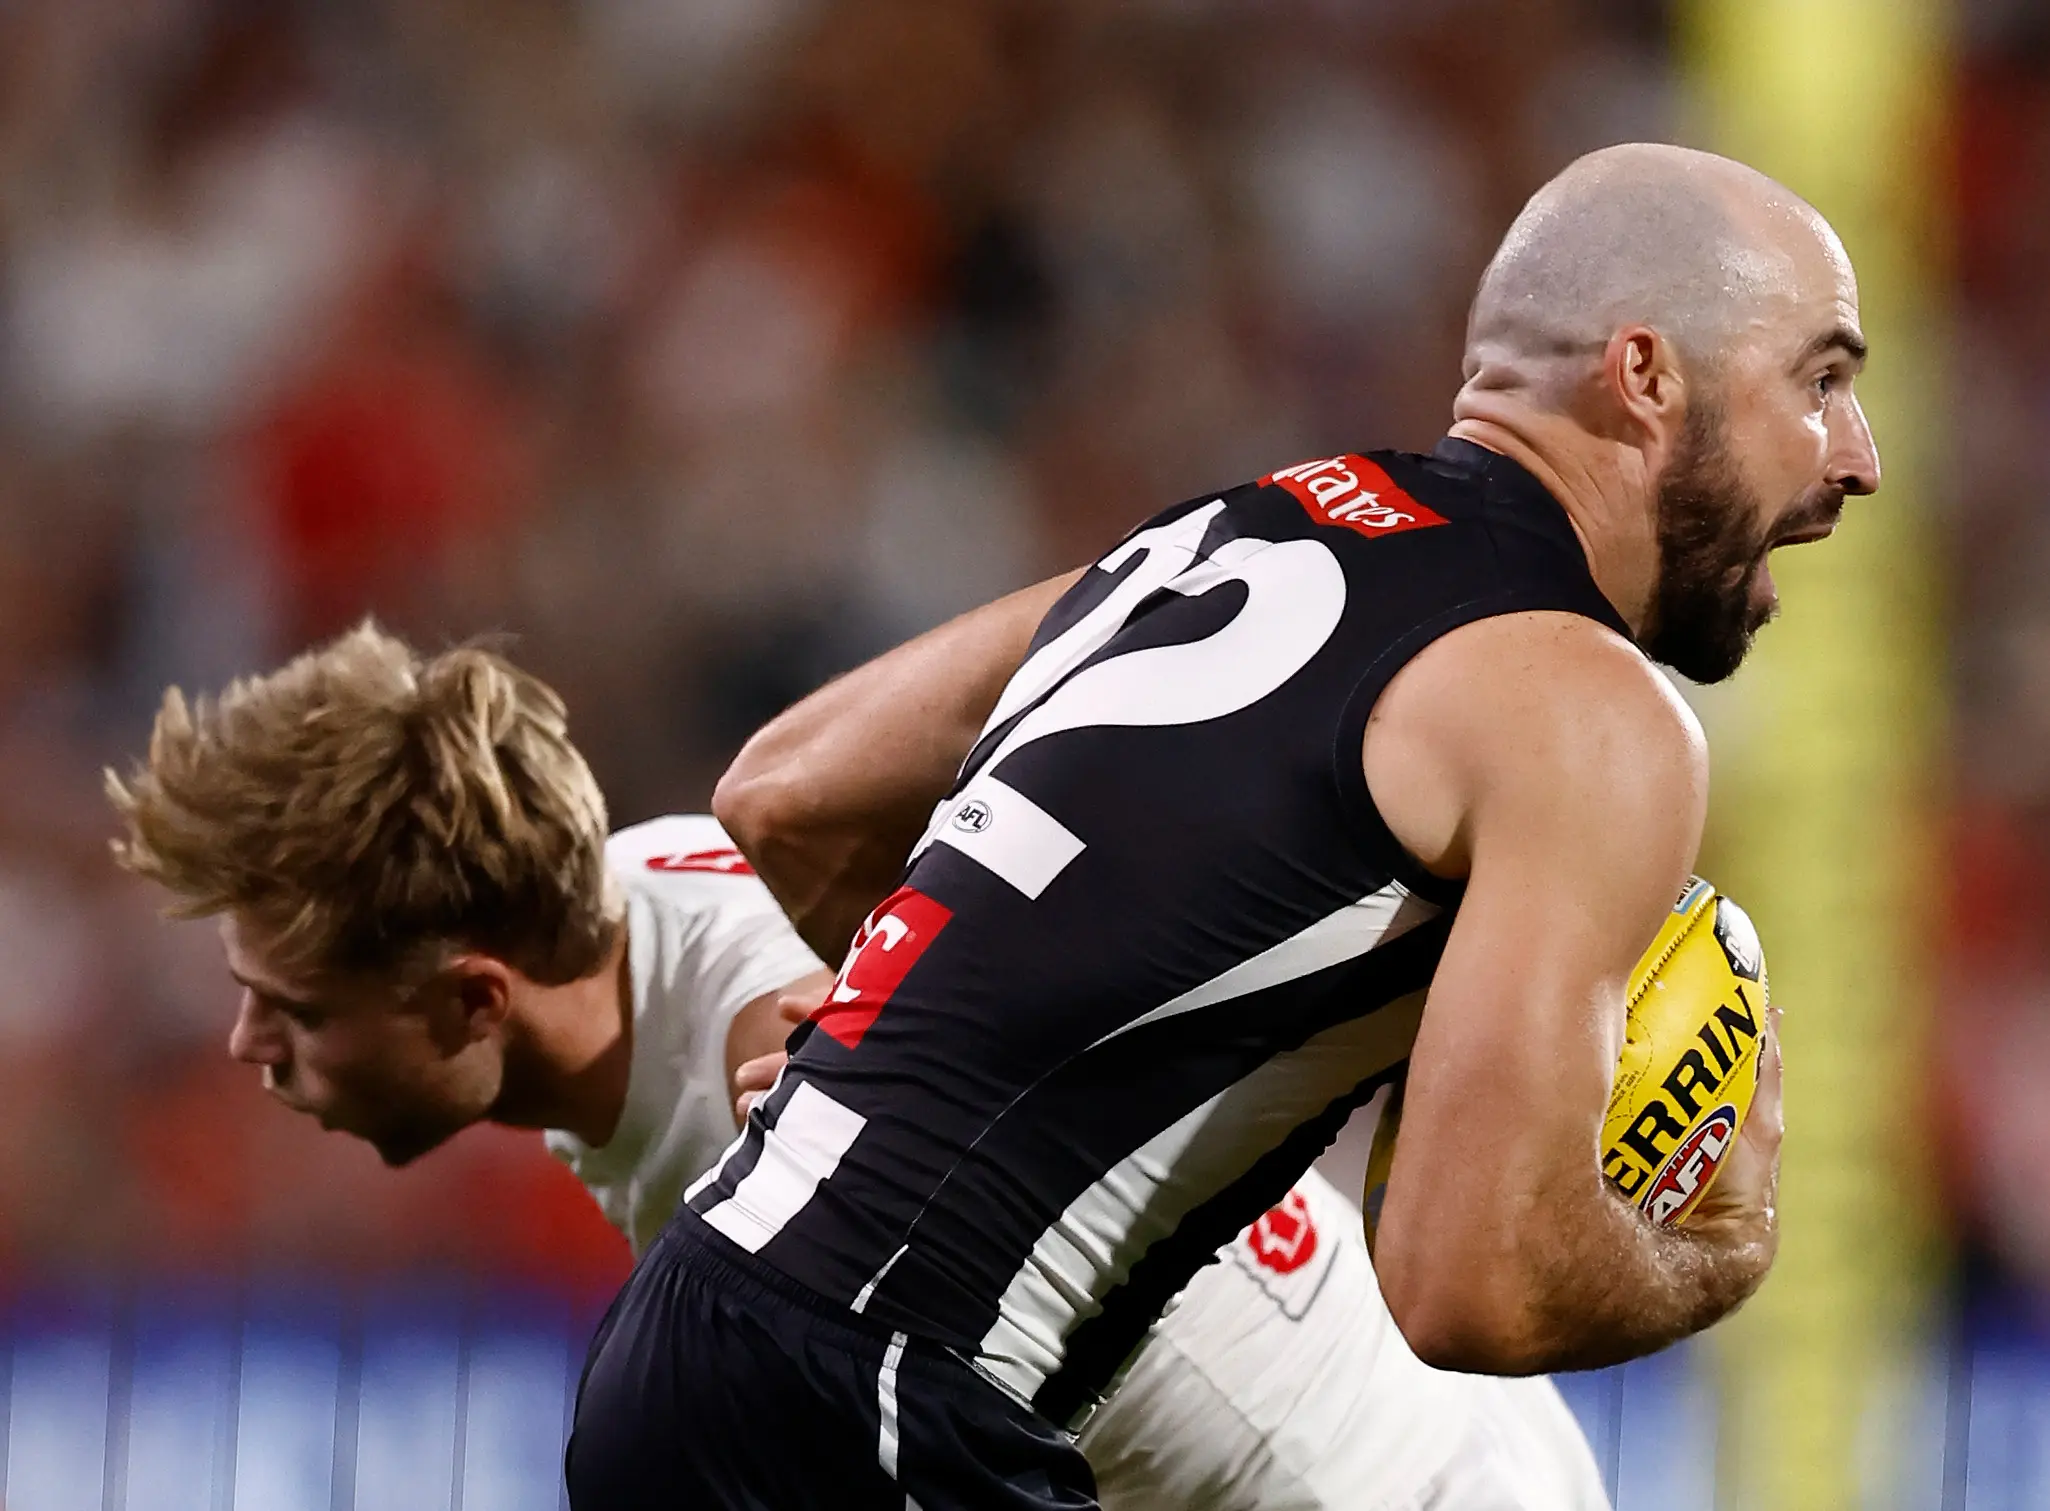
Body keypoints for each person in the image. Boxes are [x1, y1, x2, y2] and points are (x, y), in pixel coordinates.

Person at [567, 141, 1876, 1509]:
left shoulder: (1236, 530)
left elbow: (789, 788)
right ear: (1646, 376)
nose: (1859, 459)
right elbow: (1463, 1285)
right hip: (880, 1405)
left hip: (689, 1348)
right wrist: (1718, 1251)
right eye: (1822, 381)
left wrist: (934, 1049)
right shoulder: (1594, 710)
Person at [105, 622, 1610, 1509]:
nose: (248, 1043)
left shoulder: (781, 1076)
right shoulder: (637, 899)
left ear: (473, 996)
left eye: (290, 1005)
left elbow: (807, 1032)